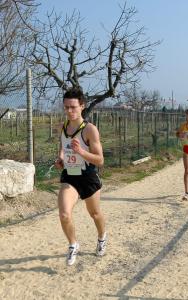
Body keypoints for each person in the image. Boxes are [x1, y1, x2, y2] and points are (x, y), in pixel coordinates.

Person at [55, 88, 106, 266]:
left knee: (95, 213)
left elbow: (100, 160)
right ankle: (73, 244)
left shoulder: (90, 130)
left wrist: (81, 152)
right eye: (66, 107)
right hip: (70, 176)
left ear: (82, 106)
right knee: (64, 214)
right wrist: (60, 159)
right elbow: (63, 147)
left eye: (73, 107)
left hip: (88, 176)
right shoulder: (63, 127)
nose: (69, 111)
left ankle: (101, 237)